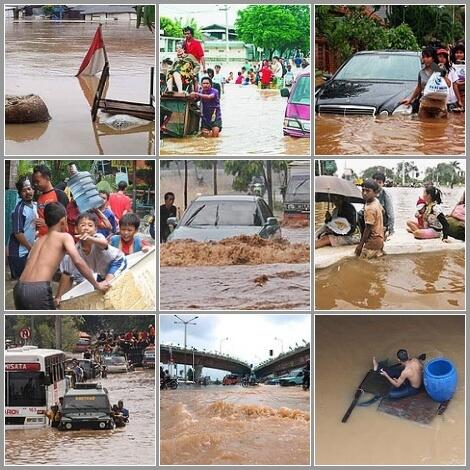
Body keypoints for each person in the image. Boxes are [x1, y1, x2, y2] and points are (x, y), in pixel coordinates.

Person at [13, 203, 109, 310]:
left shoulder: (38, 241)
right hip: (38, 290)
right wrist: (96, 284)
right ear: (63, 220)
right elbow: (77, 261)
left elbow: (29, 263)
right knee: (51, 323)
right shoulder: (64, 237)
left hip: (19, 288)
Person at [54, 211, 127, 306]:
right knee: (100, 292)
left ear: (95, 229)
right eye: (82, 225)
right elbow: (66, 274)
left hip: (117, 261)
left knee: (107, 285)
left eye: (90, 225)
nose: (86, 228)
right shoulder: (75, 250)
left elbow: (104, 243)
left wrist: (90, 239)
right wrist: (59, 296)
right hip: (101, 272)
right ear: (76, 229)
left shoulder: (98, 237)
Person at [8, 177, 38, 280]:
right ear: (20, 194)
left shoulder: (34, 206)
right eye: (24, 190)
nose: (27, 192)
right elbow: (18, 233)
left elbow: (30, 227)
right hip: (18, 253)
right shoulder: (19, 210)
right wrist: (30, 248)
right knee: (18, 283)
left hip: (27, 250)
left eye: (29, 189)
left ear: (33, 190)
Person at [32, 164, 69, 237]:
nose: (35, 184)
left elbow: (64, 222)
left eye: (37, 181)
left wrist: (46, 223)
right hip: (42, 238)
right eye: (34, 182)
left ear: (47, 178)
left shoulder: (60, 195)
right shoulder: (39, 198)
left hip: (55, 239)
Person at [401, 47, 441, 113]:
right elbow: (419, 88)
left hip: (438, 103)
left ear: (433, 58)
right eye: (424, 57)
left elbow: (448, 84)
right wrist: (410, 100)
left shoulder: (440, 70)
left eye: (428, 57)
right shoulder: (421, 73)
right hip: (424, 102)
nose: (425, 59)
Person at [355, 179, 384, 259]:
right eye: (363, 190)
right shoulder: (376, 201)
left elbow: (368, 229)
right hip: (380, 239)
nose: (364, 193)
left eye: (368, 191)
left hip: (373, 241)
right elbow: (383, 212)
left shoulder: (370, 208)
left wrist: (360, 246)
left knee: (361, 262)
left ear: (375, 193)